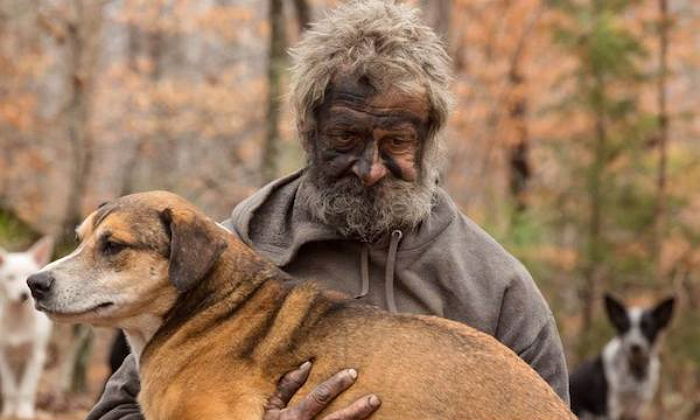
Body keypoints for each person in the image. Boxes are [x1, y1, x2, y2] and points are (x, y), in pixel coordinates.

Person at [88, 1, 569, 419]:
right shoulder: (223, 256)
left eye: (397, 141)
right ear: (308, 131)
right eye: (346, 137)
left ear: (429, 142)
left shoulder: (496, 287)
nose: (371, 168)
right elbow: (115, 412)